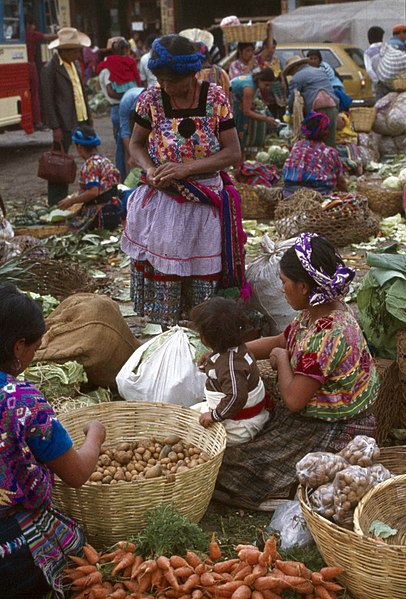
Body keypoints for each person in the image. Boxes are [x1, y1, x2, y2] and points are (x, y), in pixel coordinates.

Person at [214, 233, 379, 510]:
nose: (281, 289)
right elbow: (280, 341)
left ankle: (282, 492)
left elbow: (293, 400)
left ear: (303, 286)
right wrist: (229, 353)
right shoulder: (313, 312)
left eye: (284, 283)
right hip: (312, 415)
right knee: (234, 451)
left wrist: (281, 361)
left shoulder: (330, 333)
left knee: (232, 467)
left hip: (335, 428)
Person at [120, 34, 247, 328]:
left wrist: (185, 169)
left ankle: (201, 334)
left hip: (204, 201)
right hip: (165, 203)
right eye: (160, 79)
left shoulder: (215, 98)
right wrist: (151, 169)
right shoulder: (150, 100)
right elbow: (136, 144)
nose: (166, 86)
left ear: (192, 74)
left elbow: (233, 152)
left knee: (200, 276)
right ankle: (168, 337)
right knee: (167, 274)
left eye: (172, 81)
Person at [0, 283, 106, 597]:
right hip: (8, 543)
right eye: (35, 347)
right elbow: (77, 474)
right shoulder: (22, 402)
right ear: (18, 347)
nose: (35, 354)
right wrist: (95, 435)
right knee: (74, 545)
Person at [191, 297, 268, 446]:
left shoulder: (230, 366)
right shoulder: (233, 349)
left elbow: (236, 396)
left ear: (206, 338)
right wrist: (210, 359)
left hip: (240, 426)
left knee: (194, 435)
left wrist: (214, 415)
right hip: (233, 414)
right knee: (187, 414)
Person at [41, 27, 93, 206]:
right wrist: (55, 126)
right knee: (58, 163)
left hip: (80, 118)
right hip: (64, 122)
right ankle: (56, 201)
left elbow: (81, 93)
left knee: (91, 154)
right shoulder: (51, 68)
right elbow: (48, 99)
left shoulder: (75, 65)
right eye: (76, 50)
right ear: (64, 51)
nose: (79, 53)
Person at [57, 125, 121, 231]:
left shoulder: (90, 165)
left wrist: (72, 201)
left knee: (70, 229)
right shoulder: (104, 160)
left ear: (80, 147)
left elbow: (93, 192)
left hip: (101, 213)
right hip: (115, 210)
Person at [282, 111, 347, 196]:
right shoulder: (330, 153)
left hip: (289, 194)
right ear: (325, 133)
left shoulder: (297, 146)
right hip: (316, 197)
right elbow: (340, 181)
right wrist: (347, 194)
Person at [284, 55, 339, 148]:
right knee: (330, 142)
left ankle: (316, 161)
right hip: (332, 106)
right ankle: (331, 160)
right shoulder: (320, 71)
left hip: (316, 111)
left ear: (295, 68)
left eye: (291, 72)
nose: (292, 75)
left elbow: (292, 99)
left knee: (315, 143)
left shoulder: (296, 77)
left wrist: (289, 112)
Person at [230, 68, 278, 155]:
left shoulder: (252, 80)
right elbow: (247, 112)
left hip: (235, 104)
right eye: (266, 85)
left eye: (269, 85)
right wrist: (266, 118)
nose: (267, 88)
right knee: (236, 138)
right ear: (259, 80)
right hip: (232, 107)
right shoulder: (249, 88)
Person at [24, 16, 57, 131]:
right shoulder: (32, 34)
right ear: (28, 24)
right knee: (35, 94)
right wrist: (62, 35)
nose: (34, 27)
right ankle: (37, 120)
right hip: (31, 66)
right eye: (33, 25)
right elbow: (47, 37)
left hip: (23, 65)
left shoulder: (18, 35)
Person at [256, 37, 287, 120]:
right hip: (266, 88)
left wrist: (283, 81)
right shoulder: (260, 59)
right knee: (269, 109)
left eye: (274, 48)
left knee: (281, 109)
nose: (272, 50)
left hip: (277, 86)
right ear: (265, 47)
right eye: (271, 47)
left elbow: (280, 71)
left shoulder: (275, 58)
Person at [119, 86, 145, 174]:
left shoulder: (149, 101)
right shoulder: (125, 104)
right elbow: (125, 133)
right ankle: (125, 181)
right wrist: (132, 154)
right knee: (126, 151)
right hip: (129, 105)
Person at [364, 26, 385, 92]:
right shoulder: (387, 48)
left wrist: (377, 81)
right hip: (391, 81)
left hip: (379, 84)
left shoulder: (368, 52)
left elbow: (369, 70)